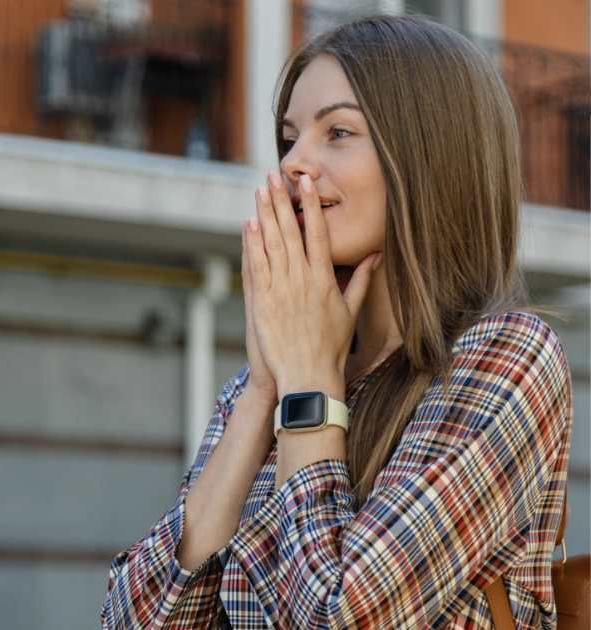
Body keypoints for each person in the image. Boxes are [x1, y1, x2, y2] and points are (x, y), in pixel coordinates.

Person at [101, 15, 571, 628]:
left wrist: (308, 394)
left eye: (338, 132)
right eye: (289, 138)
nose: (296, 163)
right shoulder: (270, 382)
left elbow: (337, 617)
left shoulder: (506, 357)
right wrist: (263, 395)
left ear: (430, 155)